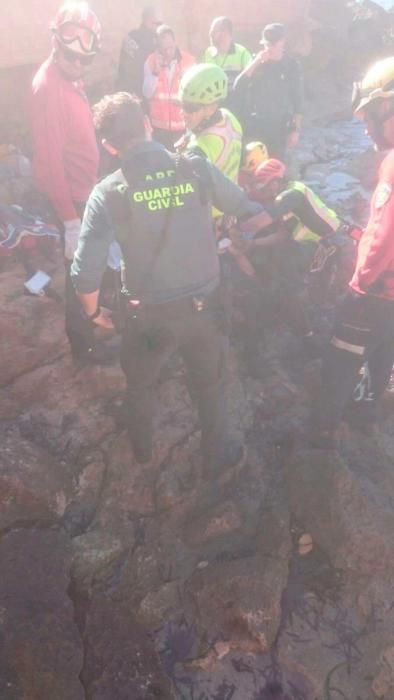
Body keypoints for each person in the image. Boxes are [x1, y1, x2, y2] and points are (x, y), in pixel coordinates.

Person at [70, 92, 273, 471]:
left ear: (109, 145)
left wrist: (94, 313)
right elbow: (251, 212)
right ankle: (217, 457)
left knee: (141, 384)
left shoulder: (109, 192)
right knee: (210, 384)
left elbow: (85, 270)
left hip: (148, 316)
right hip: (206, 307)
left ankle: (142, 451)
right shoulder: (196, 166)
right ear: (148, 123)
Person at [312, 56, 394, 444]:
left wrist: (361, 284)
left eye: (369, 119)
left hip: (375, 291)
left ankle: (321, 436)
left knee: (341, 357)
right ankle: (366, 415)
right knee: (381, 349)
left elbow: (387, 234)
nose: (366, 130)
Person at [30, 1, 113, 364]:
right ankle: (83, 346)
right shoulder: (49, 90)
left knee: (90, 264)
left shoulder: (67, 78)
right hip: (72, 200)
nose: (78, 65)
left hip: (84, 190)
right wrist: (70, 220)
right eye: (71, 57)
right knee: (79, 270)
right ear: (55, 44)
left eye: (85, 60)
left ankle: (95, 317)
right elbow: (48, 166)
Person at [234, 23, 303, 160]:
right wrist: (256, 63)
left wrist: (295, 130)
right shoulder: (257, 63)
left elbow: (298, 100)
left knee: (275, 167)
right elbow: (238, 86)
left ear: (282, 42)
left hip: (279, 126)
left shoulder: (291, 65)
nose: (269, 48)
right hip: (256, 125)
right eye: (266, 44)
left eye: (273, 44)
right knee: (254, 167)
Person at [143, 24, 195, 150]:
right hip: (159, 130)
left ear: (175, 42)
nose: (168, 52)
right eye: (164, 48)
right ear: (158, 47)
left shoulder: (189, 61)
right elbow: (147, 93)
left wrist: (184, 102)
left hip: (183, 127)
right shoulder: (151, 61)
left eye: (171, 47)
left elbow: (196, 94)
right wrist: (155, 72)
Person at [202, 16, 252, 113]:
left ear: (224, 33)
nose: (210, 35)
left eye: (213, 32)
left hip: (237, 109)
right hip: (214, 109)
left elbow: (251, 82)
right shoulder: (208, 53)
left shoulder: (242, 53)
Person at [117, 5, 161, 99]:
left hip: (130, 92)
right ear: (149, 19)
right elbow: (135, 69)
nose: (159, 26)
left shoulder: (132, 36)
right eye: (157, 22)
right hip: (137, 94)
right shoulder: (146, 40)